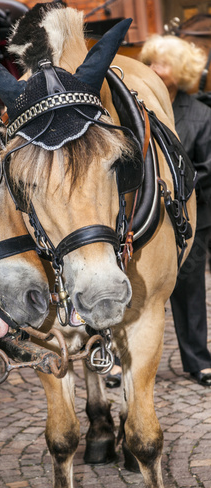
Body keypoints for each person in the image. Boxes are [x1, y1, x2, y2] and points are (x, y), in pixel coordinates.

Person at [138, 34, 211, 387]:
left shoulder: (201, 115)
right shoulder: (139, 109)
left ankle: (198, 360)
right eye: (150, 61)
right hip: (145, 219)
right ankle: (127, 364)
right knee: (138, 291)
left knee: (189, 290)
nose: (153, 69)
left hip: (190, 221)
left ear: (180, 72)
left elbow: (207, 170)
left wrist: (171, 190)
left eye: (162, 64)